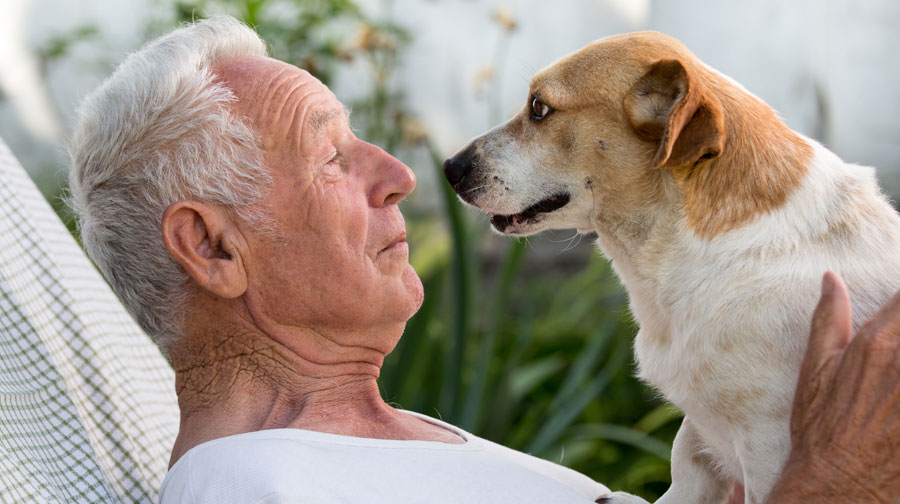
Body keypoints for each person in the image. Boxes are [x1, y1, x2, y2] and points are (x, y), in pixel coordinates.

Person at [66, 16, 900, 503]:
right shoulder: (259, 486)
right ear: (211, 246)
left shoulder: (375, 451)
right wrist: (830, 484)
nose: (397, 176)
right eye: (330, 158)